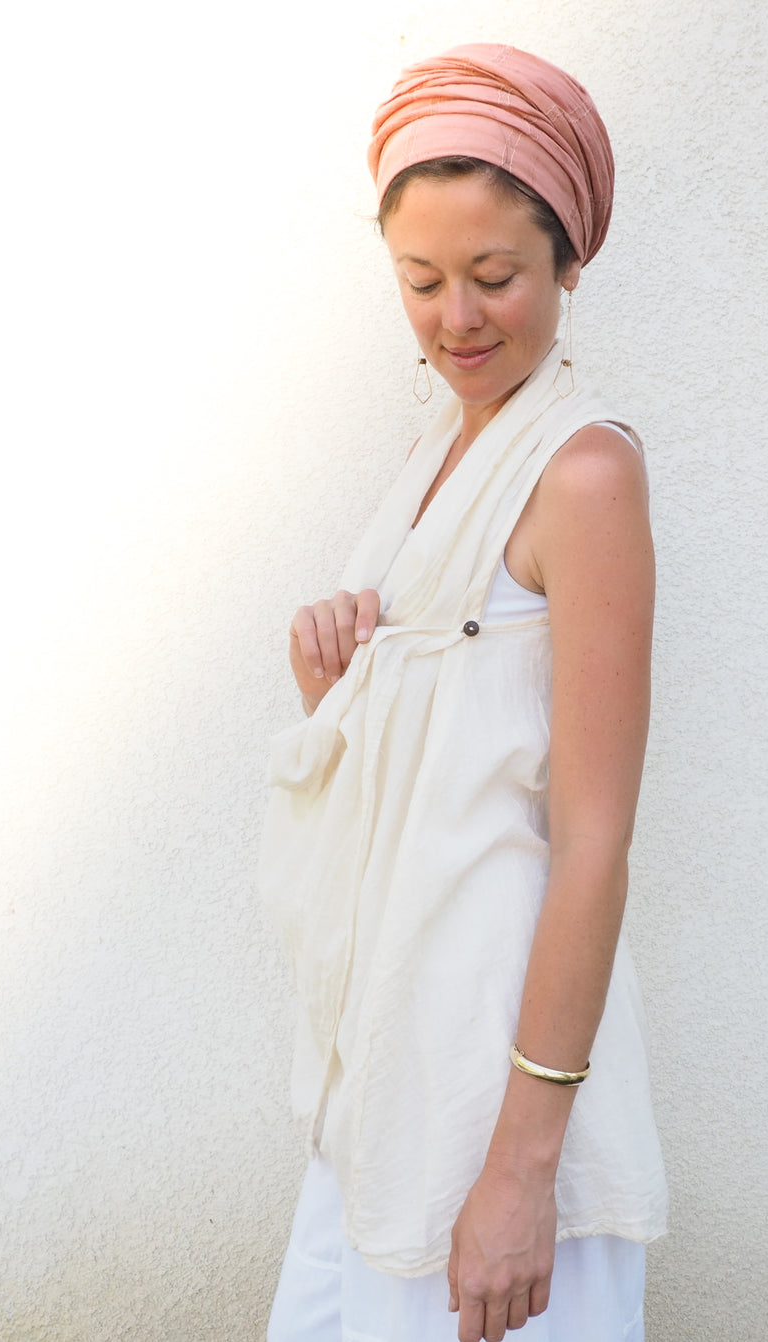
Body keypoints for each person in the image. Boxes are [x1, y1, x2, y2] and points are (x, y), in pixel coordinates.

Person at [260, 44, 667, 1342]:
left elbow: (594, 838)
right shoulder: (446, 445)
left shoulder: (581, 474)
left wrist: (521, 1170)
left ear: (566, 263)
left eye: (494, 277)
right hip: (389, 1072)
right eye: (421, 283)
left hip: (491, 1092)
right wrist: (342, 675)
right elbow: (455, 726)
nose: (457, 320)